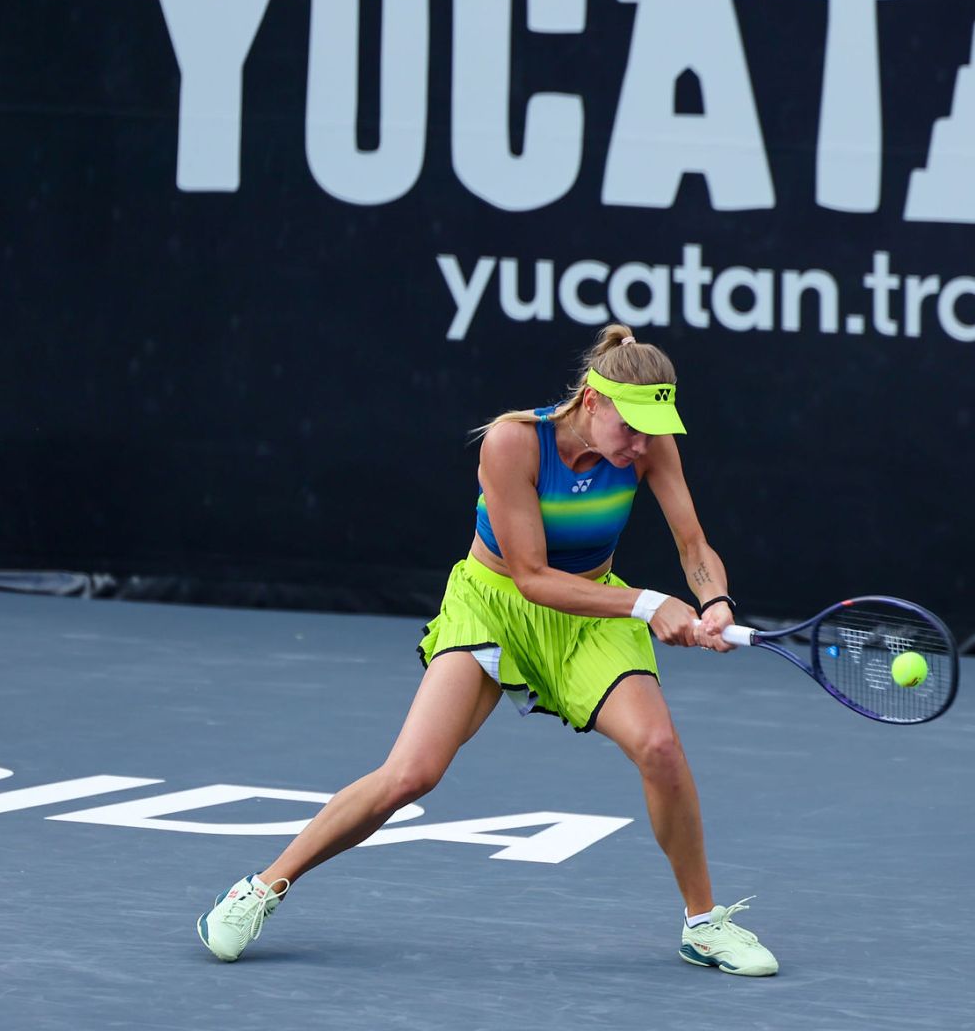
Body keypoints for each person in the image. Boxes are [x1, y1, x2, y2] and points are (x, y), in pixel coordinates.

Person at [196, 324, 778, 976]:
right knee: (411, 774)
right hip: (493, 607)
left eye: (652, 430)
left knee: (660, 747)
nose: (641, 444)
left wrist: (715, 600)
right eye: (631, 428)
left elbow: (694, 547)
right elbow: (531, 577)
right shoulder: (512, 442)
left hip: (589, 616)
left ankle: (703, 924)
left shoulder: (649, 444)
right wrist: (649, 604)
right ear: (592, 401)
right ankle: (260, 889)